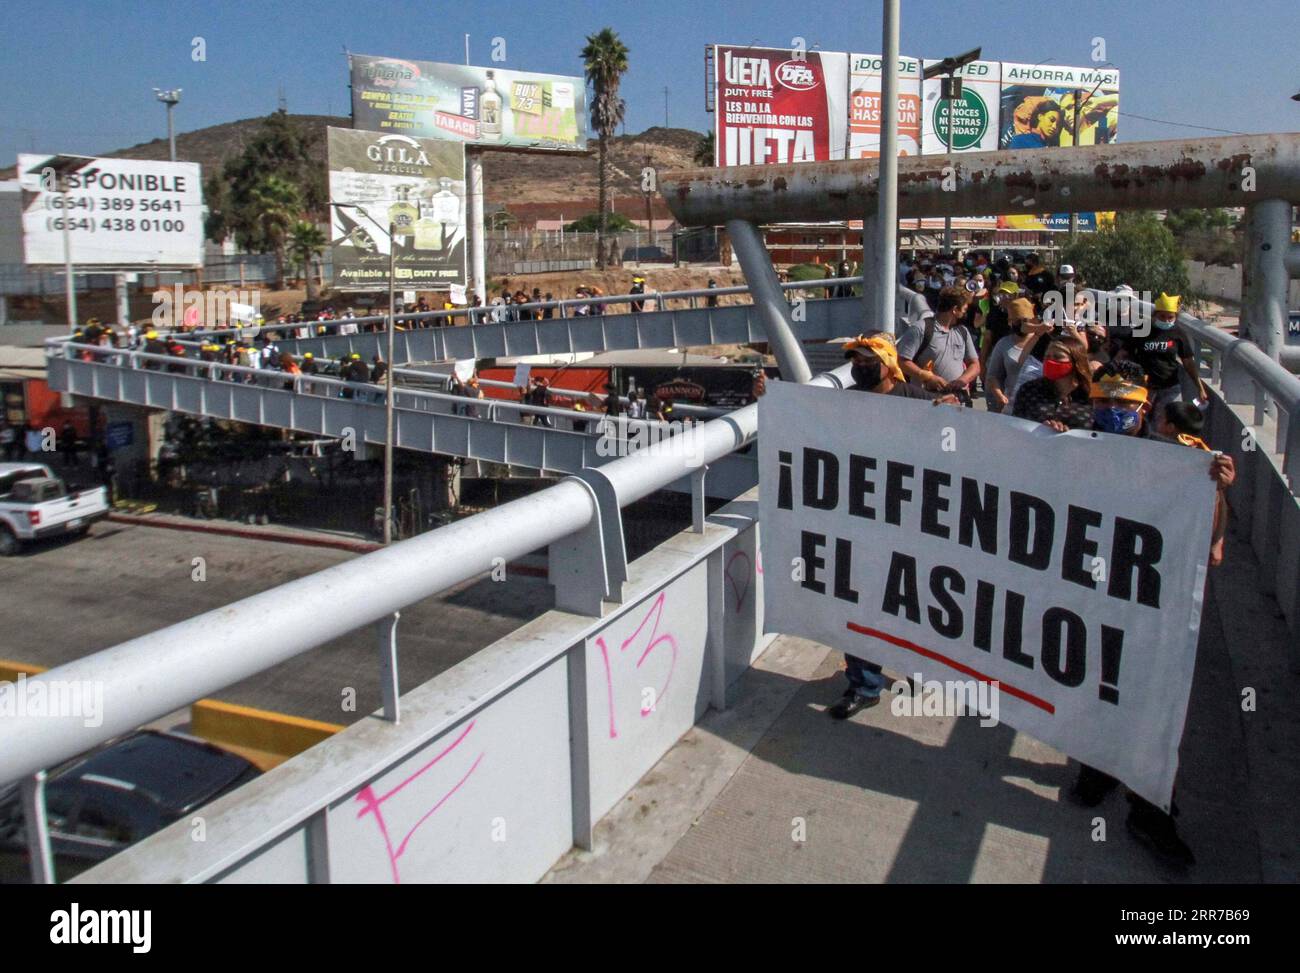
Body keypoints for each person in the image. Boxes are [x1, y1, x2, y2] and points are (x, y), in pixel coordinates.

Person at [1119, 292, 1206, 415]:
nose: (1166, 320)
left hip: (1169, 388)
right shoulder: (1141, 330)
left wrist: (1200, 388)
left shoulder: (1178, 334)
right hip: (1143, 387)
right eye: (1162, 316)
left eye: (1170, 317)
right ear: (1155, 315)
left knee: (1168, 422)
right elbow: (1124, 353)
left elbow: (1188, 362)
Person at [896, 285, 981, 402]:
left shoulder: (962, 332)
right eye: (964, 310)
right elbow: (901, 361)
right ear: (955, 310)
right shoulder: (921, 328)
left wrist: (962, 380)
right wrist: (926, 376)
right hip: (925, 400)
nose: (965, 314)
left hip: (955, 401)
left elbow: (975, 365)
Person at [1012, 337, 1094, 429]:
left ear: (1075, 361)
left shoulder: (1092, 395)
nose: (1050, 361)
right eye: (1047, 357)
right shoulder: (1029, 389)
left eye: (1058, 357)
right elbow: (1015, 427)